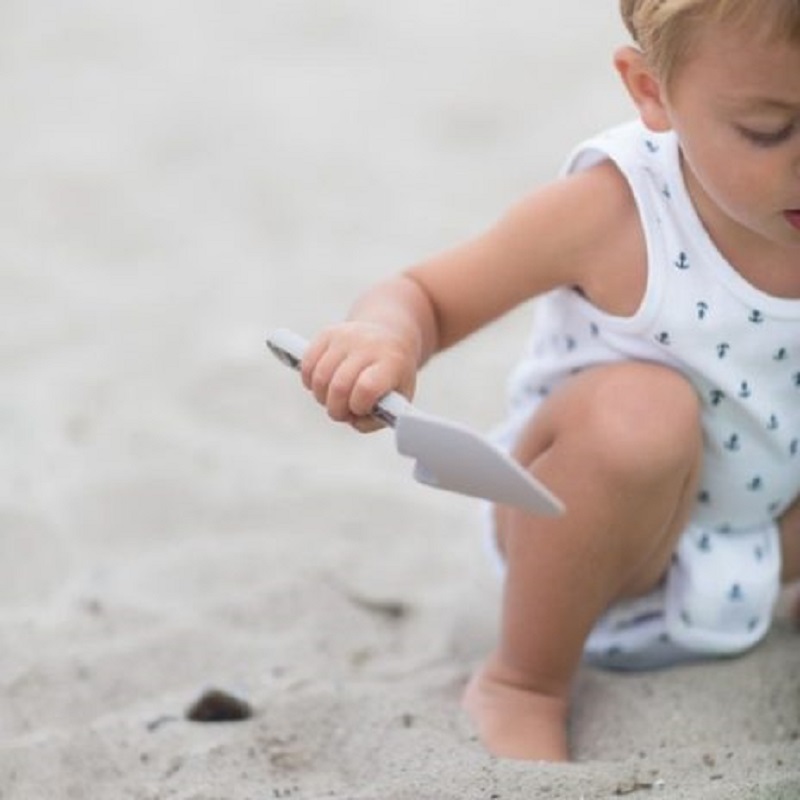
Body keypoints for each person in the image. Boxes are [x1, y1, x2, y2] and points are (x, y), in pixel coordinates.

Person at [297, 0, 800, 761]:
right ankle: (523, 682)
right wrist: (383, 339)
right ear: (651, 92)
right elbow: (425, 296)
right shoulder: (613, 214)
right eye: (769, 130)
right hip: (598, 550)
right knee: (641, 415)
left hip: (767, 541)